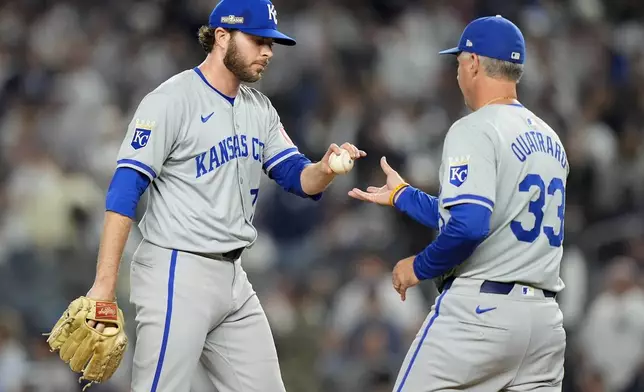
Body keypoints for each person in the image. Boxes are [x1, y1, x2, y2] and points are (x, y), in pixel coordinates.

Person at [82, 0, 365, 390]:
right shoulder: (171, 100)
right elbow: (124, 191)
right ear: (221, 36)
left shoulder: (260, 109)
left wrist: (326, 167)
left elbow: (298, 179)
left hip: (234, 279)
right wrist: (104, 283)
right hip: (176, 270)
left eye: (271, 43)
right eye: (257, 40)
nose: (267, 51)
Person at [350, 15, 568, 391]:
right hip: (544, 324)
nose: (456, 73)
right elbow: (490, 217)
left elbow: (469, 226)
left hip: (480, 315)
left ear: (472, 63)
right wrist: (404, 196)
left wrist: (417, 267)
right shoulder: (551, 139)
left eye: (458, 63)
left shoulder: (475, 127)